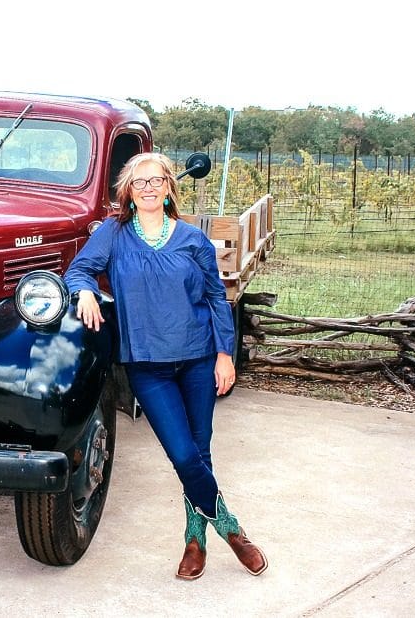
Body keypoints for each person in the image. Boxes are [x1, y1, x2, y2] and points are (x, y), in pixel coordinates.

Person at [63, 152, 267, 580]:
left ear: (170, 188)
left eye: (157, 181)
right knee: (182, 455)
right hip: (147, 366)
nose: (150, 188)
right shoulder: (114, 235)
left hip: (197, 359)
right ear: (129, 193)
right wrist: (83, 290)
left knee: (200, 451)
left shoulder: (192, 239)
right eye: (141, 182)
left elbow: (216, 298)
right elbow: (78, 270)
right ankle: (232, 529)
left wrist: (225, 356)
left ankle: (195, 542)